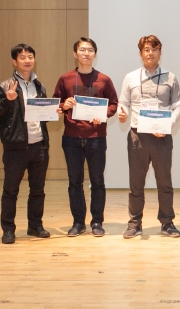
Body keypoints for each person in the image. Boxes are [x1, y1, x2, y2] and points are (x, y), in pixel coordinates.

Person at [0, 44, 61, 244]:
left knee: (38, 190)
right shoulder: (4, 86)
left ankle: (35, 226)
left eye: (30, 56)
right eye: (22, 57)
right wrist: (7, 100)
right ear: (15, 61)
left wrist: (52, 113)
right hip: (16, 147)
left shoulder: (39, 86)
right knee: (10, 190)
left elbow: (40, 116)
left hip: (39, 145)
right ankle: (8, 230)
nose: (27, 60)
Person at [118, 35, 180, 239]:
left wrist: (169, 125)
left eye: (154, 49)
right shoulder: (130, 78)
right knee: (136, 183)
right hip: (138, 137)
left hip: (162, 137)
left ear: (160, 52)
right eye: (146, 49)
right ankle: (134, 223)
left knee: (164, 182)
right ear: (141, 53)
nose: (150, 53)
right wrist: (122, 113)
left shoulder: (171, 78)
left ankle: (167, 223)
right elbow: (123, 103)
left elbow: (178, 105)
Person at [53, 37, 119, 237]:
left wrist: (103, 115)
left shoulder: (104, 79)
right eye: (82, 50)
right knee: (75, 182)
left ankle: (97, 222)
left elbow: (113, 104)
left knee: (97, 181)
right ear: (75, 54)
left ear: (95, 54)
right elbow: (55, 104)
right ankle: (78, 222)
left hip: (96, 137)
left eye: (90, 50)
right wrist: (63, 106)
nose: (86, 53)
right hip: (71, 138)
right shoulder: (65, 79)